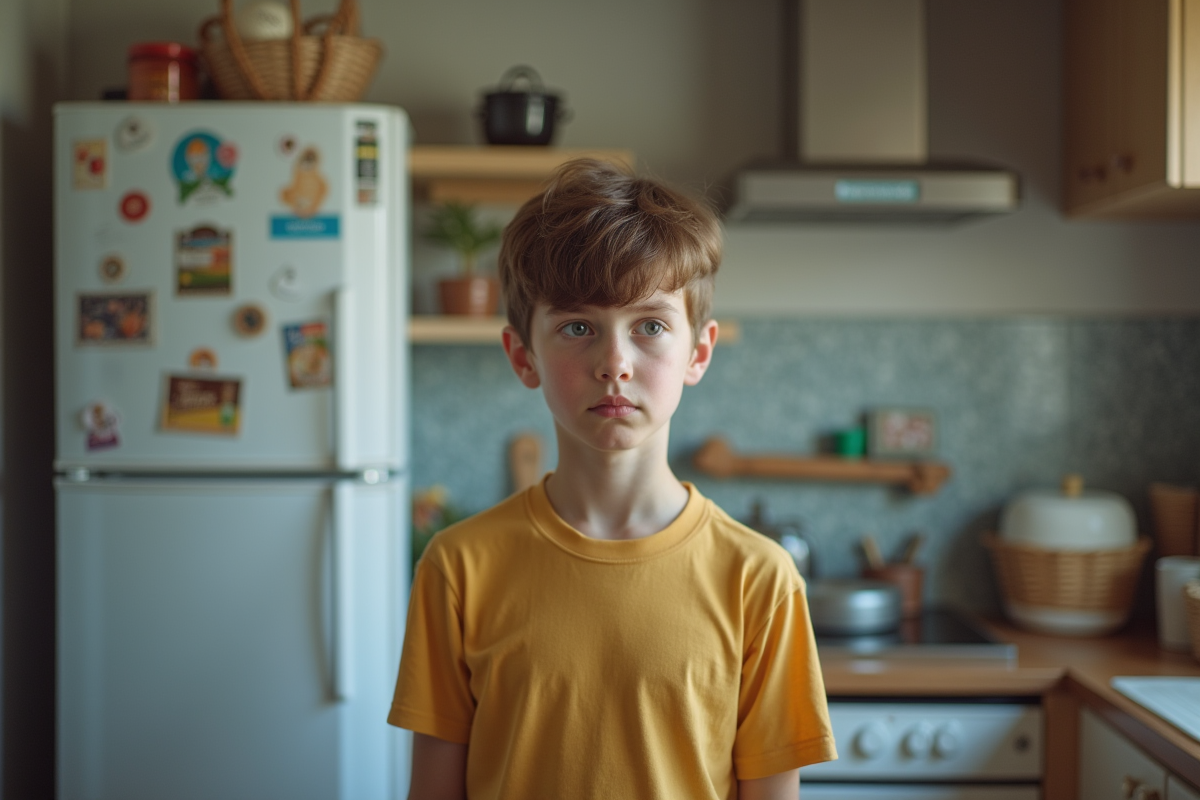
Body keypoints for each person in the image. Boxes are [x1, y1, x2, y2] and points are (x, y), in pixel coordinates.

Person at [388, 159, 837, 800]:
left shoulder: (759, 580)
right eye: (578, 328)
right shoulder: (459, 566)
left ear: (698, 352)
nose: (614, 364)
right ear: (524, 356)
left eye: (650, 326)